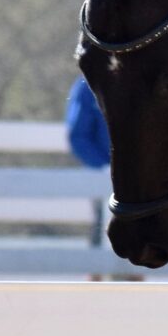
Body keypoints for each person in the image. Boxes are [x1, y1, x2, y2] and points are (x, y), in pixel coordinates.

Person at [65, 73, 111, 247]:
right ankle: (96, 268)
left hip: (141, 172)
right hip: (102, 172)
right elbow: (78, 136)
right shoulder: (88, 84)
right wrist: (104, 166)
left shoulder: (143, 76)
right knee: (101, 222)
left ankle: (134, 272)